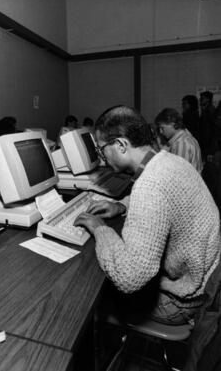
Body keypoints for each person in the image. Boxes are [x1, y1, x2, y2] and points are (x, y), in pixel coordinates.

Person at [74, 105, 220, 326]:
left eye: (102, 149)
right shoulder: (169, 160)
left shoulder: (150, 184)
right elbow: (166, 199)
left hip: (181, 301)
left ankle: (111, 349)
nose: (102, 158)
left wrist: (99, 229)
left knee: (88, 301)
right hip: (208, 281)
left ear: (121, 145)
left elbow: (129, 277)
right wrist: (122, 206)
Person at [155, 107, 203, 173]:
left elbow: (180, 175)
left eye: (162, 128)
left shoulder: (181, 144)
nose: (160, 131)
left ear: (173, 124)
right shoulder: (186, 138)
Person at [199, 91, 215, 161]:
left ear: (208, 99)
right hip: (206, 142)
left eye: (202, 98)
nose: (200, 100)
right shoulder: (205, 110)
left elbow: (211, 129)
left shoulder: (210, 111)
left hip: (208, 143)